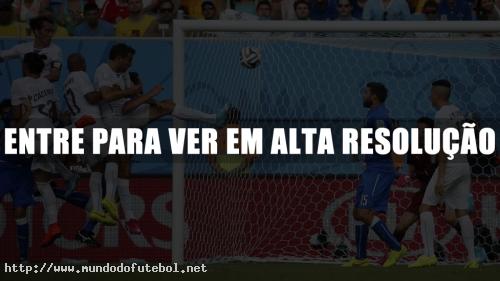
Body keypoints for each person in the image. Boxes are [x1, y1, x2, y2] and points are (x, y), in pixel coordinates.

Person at [94, 43, 229, 234]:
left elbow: (129, 101)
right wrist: (144, 94)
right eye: (128, 60)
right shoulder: (103, 71)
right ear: (119, 57)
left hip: (127, 119)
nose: (130, 65)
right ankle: (124, 213)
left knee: (167, 106)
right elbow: (116, 101)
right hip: (115, 123)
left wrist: (152, 100)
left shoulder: (123, 74)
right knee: (121, 166)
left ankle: (213, 119)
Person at [409, 80, 478, 269]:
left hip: (450, 165)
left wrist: (441, 176)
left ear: (436, 95)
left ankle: (429, 254)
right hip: (463, 164)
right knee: (462, 212)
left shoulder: (441, 115)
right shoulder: (458, 111)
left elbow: (443, 147)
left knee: (425, 207)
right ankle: (472, 259)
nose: (429, 97)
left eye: (430, 93)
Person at [342, 82, 406, 268]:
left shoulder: (379, 115)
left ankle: (396, 247)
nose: (362, 95)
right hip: (372, 168)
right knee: (358, 212)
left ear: (374, 96)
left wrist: (360, 142)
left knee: (364, 212)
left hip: (380, 169)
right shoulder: (374, 114)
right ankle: (361, 257)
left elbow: (383, 142)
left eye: (365, 93)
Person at [0, 98, 35, 262]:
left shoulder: (32, 126)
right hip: (4, 169)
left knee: (21, 213)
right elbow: (15, 129)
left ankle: (23, 258)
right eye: (7, 110)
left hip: (23, 173)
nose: (10, 112)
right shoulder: (9, 124)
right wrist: (27, 112)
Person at [393, 117, 435, 242]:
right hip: (425, 191)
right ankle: (393, 252)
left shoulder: (438, 146)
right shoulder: (413, 147)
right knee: (401, 226)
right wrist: (405, 177)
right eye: (417, 129)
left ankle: (479, 247)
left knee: (452, 218)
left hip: (441, 188)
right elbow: (411, 173)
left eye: (423, 130)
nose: (419, 132)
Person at [0, 16, 62, 83]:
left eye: (52, 31)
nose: (50, 34)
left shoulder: (56, 50)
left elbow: (55, 76)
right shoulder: (23, 48)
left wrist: (33, 84)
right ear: (36, 31)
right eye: (47, 31)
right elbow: (2, 55)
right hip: (26, 91)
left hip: (45, 91)